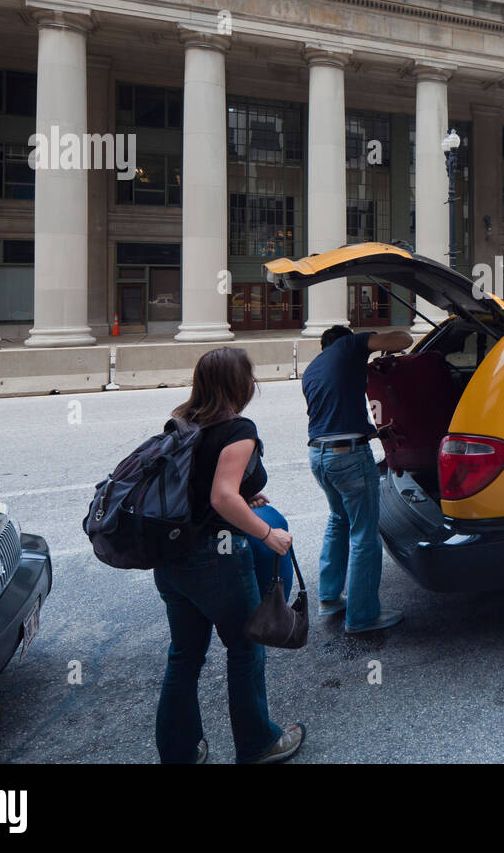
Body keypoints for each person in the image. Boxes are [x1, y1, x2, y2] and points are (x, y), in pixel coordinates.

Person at [154, 347, 305, 764]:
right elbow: (221, 496)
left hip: (171, 558)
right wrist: (268, 533)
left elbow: (197, 485)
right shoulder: (239, 428)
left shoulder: (182, 421)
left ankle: (179, 751)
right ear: (242, 384)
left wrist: (243, 495)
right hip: (215, 558)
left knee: (185, 654)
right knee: (245, 647)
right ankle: (258, 743)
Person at [303, 323, 412, 634]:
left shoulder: (313, 369)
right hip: (348, 458)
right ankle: (362, 616)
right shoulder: (348, 348)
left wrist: (374, 434)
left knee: (338, 520)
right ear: (347, 343)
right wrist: (379, 339)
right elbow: (405, 338)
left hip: (320, 455)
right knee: (364, 534)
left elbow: (333, 418)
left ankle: (329, 598)